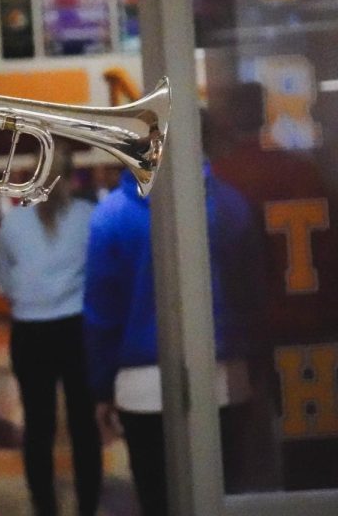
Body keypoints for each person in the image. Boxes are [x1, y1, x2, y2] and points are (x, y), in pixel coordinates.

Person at [83, 158, 259, 516]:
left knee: (157, 501)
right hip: (226, 376)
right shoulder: (232, 205)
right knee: (226, 500)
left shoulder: (110, 215)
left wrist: (101, 390)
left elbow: (102, 316)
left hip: (142, 387)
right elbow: (252, 295)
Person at [0, 145, 102, 516]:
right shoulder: (89, 216)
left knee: (38, 427)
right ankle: (88, 505)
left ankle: (44, 505)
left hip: (30, 333)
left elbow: (6, 282)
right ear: (71, 178)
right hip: (76, 330)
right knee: (83, 425)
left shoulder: (12, 223)